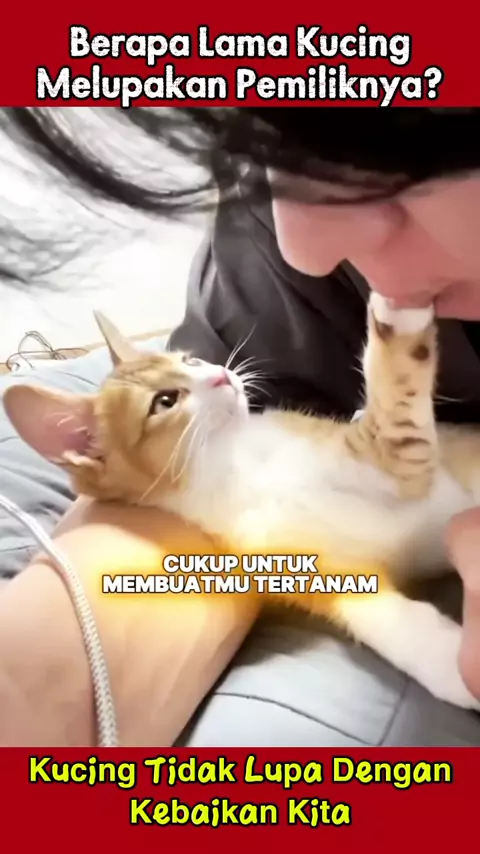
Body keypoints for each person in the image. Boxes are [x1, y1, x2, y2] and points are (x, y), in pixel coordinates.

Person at [1, 106, 480, 746]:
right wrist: (37, 691)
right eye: (274, 155)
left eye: (394, 145)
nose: (303, 246)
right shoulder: (266, 243)